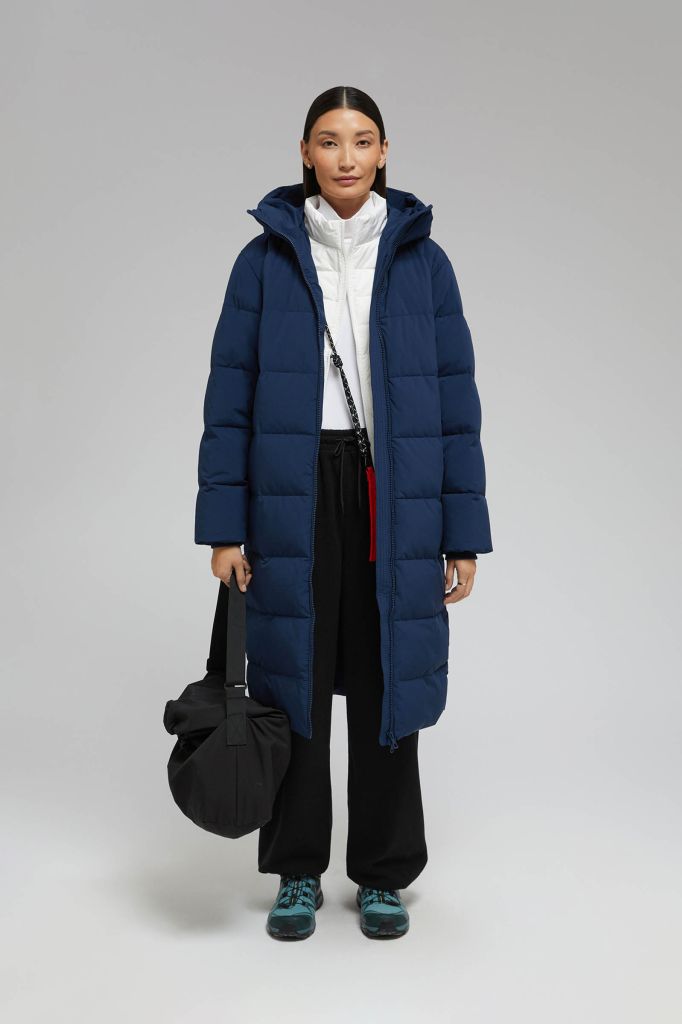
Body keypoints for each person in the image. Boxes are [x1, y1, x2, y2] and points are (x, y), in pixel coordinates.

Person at [194, 86, 493, 941]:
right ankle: (297, 870)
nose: (346, 157)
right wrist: (224, 528)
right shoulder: (263, 261)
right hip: (292, 486)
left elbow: (455, 404)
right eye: (328, 141)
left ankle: (383, 874)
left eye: (362, 141)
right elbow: (229, 400)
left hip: (392, 489)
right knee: (291, 681)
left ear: (385, 152)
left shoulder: (424, 263)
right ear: (305, 153)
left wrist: (462, 534)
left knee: (385, 680)